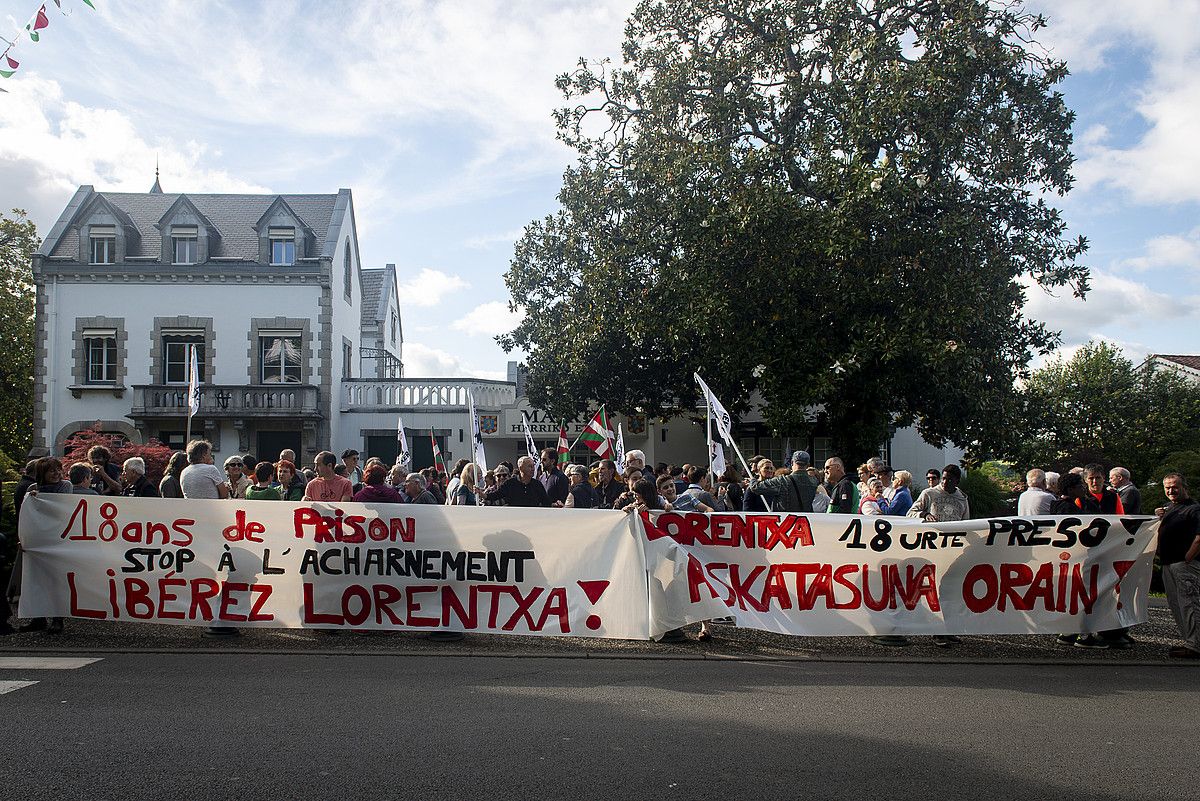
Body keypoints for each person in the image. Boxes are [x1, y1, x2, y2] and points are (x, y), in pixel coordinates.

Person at [904, 464, 971, 647]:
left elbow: (966, 524)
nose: (944, 482)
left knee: (952, 591)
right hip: (932, 549)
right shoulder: (929, 494)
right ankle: (937, 631)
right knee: (935, 591)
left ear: (957, 481)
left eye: (949, 479)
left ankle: (948, 630)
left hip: (953, 551)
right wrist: (924, 514)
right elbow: (910, 513)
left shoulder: (962, 498)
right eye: (943, 478)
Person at [17, 458, 73, 634]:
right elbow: (27, 517)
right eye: (51, 471)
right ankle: (38, 618)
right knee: (36, 580)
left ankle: (58, 619)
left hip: (58, 540)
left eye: (58, 470)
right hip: (39, 540)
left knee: (56, 581)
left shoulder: (66, 486)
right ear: (42, 474)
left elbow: (65, 507)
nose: (56, 474)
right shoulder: (32, 490)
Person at [1156, 473, 1200, 659]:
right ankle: (1189, 642)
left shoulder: (1194, 509)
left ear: (1184, 487)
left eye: (1174, 487)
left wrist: (1188, 557)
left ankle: (1196, 644)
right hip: (1168, 564)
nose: (1171, 491)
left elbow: (1199, 538)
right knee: (1176, 605)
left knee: (1190, 604)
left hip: (1184, 564)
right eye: (1167, 487)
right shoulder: (1169, 508)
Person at [746, 451, 817, 512]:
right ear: (808, 464)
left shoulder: (782, 481)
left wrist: (753, 480)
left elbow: (756, 487)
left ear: (792, 462)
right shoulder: (814, 481)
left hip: (785, 522)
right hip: (805, 523)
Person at [482, 456, 551, 508]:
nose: (533, 469)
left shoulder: (537, 484)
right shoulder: (510, 483)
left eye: (533, 466)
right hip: (514, 520)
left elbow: (546, 502)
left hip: (533, 520)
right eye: (530, 466)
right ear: (521, 468)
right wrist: (482, 494)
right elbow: (497, 495)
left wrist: (555, 504)